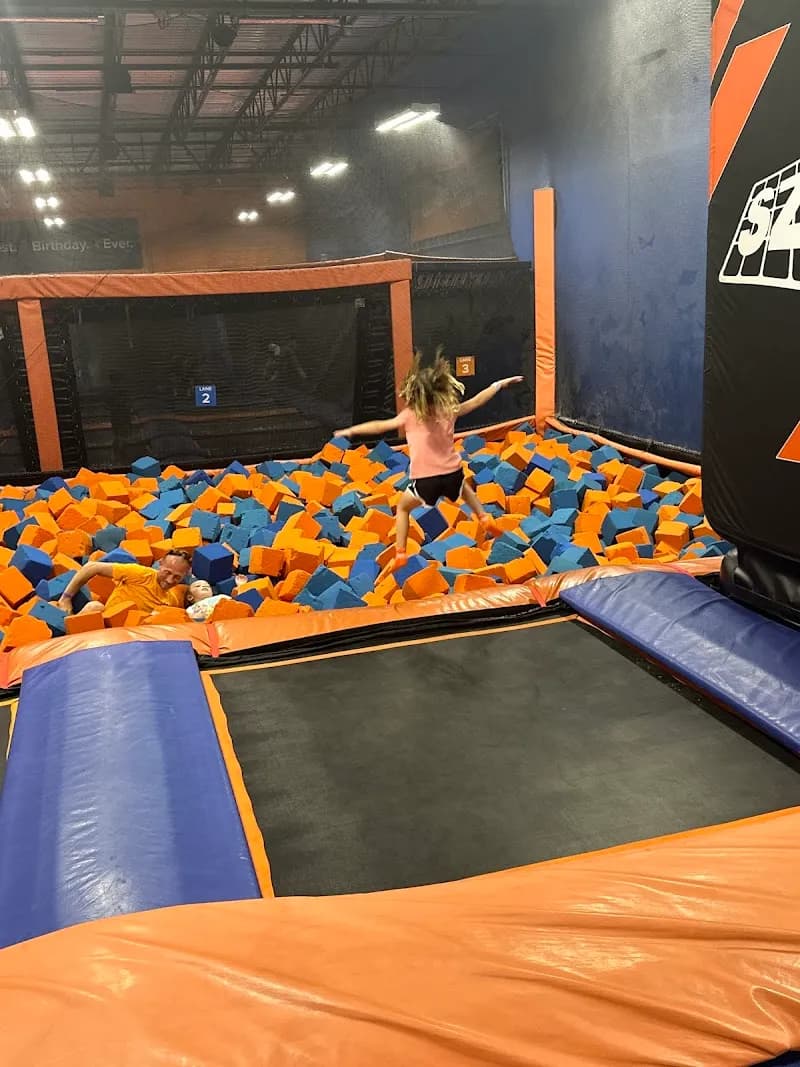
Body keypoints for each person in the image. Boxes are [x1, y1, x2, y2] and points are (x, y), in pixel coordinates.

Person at [336, 351, 523, 570]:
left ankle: (401, 552)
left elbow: (379, 426)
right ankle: (483, 516)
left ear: (415, 394)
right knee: (463, 488)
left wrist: (352, 430)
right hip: (452, 475)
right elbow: (476, 401)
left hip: (426, 480)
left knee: (403, 508)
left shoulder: (410, 416)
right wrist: (498, 384)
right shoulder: (449, 411)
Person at [57, 550, 192, 617]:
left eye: (176, 577)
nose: (169, 580)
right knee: (94, 607)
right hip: (103, 628)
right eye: (167, 572)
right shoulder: (140, 574)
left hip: (131, 641)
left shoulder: (171, 601)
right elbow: (91, 567)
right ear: (160, 564)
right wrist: (66, 598)